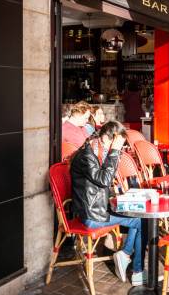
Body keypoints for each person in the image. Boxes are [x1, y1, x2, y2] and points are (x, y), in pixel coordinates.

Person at [70, 121, 147, 286]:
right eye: (120, 143)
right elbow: (104, 179)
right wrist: (115, 151)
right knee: (141, 222)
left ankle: (126, 254)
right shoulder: (87, 155)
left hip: (97, 208)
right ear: (109, 138)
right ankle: (137, 270)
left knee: (139, 217)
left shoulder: (97, 149)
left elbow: (100, 183)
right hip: (90, 215)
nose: (121, 148)